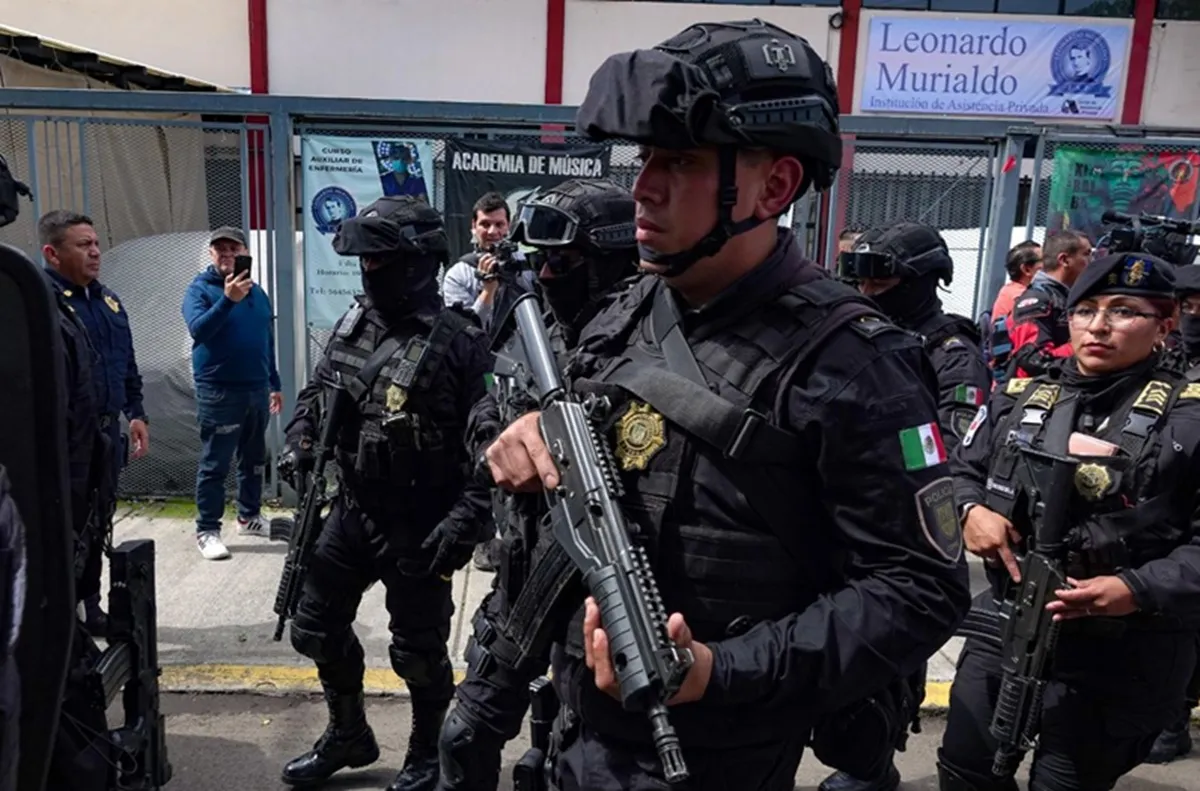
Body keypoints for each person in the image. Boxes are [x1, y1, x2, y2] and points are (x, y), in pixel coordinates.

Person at [482, 19, 971, 790]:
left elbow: (920, 588)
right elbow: (572, 422)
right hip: (577, 729)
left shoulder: (853, 363)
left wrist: (721, 669)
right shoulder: (628, 308)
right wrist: (526, 433)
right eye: (645, 157)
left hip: (713, 755)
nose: (643, 185)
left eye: (678, 161)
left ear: (773, 186)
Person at [941, 251, 1200, 790]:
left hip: (1121, 642)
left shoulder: (1188, 418)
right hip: (1009, 619)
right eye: (1086, 310)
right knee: (966, 771)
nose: (1098, 326)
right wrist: (969, 511)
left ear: (1165, 326)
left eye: (1124, 311)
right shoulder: (1024, 394)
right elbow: (955, 473)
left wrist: (1135, 587)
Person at [278, 195, 493, 791]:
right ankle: (348, 734)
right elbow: (314, 398)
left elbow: (490, 448)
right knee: (315, 627)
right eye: (364, 262)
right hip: (351, 510)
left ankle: (425, 752)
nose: (369, 273)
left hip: (423, 521)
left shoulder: (459, 341)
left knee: (419, 652)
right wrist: (299, 442)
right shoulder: (353, 323)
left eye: (382, 261)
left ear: (419, 263)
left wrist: (465, 523)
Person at [437, 177, 641, 791]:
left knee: (573, 762)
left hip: (603, 595)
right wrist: (497, 446)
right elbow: (486, 407)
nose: (550, 274)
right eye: (545, 259)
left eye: (568, 260)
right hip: (524, 577)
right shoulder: (537, 326)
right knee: (464, 737)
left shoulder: (654, 344)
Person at [827, 220, 991, 791]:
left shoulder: (951, 352)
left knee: (888, 651)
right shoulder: (857, 333)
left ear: (924, 278)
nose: (867, 288)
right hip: (849, 514)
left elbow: (957, 439)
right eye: (859, 275)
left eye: (882, 275)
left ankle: (873, 766)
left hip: (907, 522)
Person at [40, 210, 148, 635]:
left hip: (105, 434)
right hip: (66, 440)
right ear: (52, 253)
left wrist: (135, 412)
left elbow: (127, 361)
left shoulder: (107, 302)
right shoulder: (44, 305)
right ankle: (59, 612)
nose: (95, 252)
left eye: (97, 243)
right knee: (64, 526)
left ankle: (89, 604)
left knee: (97, 521)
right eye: (83, 245)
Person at [181, 227, 285, 560]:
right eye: (219, 248)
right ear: (211, 254)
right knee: (216, 463)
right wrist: (227, 300)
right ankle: (207, 530)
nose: (226, 253)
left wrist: (275, 382)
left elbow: (265, 337)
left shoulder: (257, 292)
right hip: (219, 391)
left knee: (254, 459)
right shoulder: (199, 290)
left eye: (233, 248)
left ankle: (249, 516)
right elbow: (199, 330)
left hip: (256, 389)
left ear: (244, 251)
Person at [1142, 263, 1200, 765]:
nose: (1194, 315)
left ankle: (1176, 717)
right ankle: (1170, 714)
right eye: (1188, 306)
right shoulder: (1167, 356)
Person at [1007, 229, 1092, 377]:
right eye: (1086, 254)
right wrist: (1084, 346)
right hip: (1031, 394)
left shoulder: (1069, 295)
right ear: (1065, 260)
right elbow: (1033, 359)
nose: (1092, 261)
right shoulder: (1036, 300)